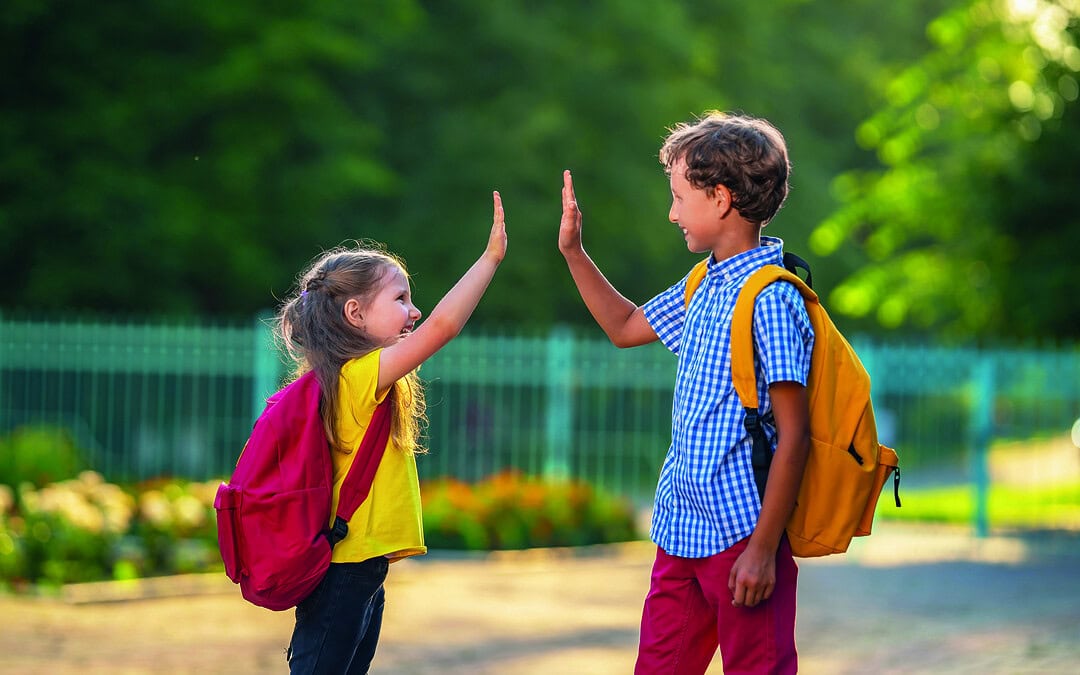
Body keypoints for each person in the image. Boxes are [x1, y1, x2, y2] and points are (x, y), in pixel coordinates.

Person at [558, 111, 813, 674]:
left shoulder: (770, 298)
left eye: (678, 196)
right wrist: (575, 252)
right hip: (681, 531)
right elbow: (625, 328)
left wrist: (764, 551)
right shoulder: (705, 281)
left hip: (742, 536)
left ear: (720, 198)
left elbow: (795, 436)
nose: (671, 212)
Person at [279, 192, 507, 674]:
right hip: (345, 568)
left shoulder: (353, 378)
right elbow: (443, 326)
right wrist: (489, 259)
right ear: (355, 314)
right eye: (400, 299)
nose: (414, 311)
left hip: (362, 568)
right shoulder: (356, 376)